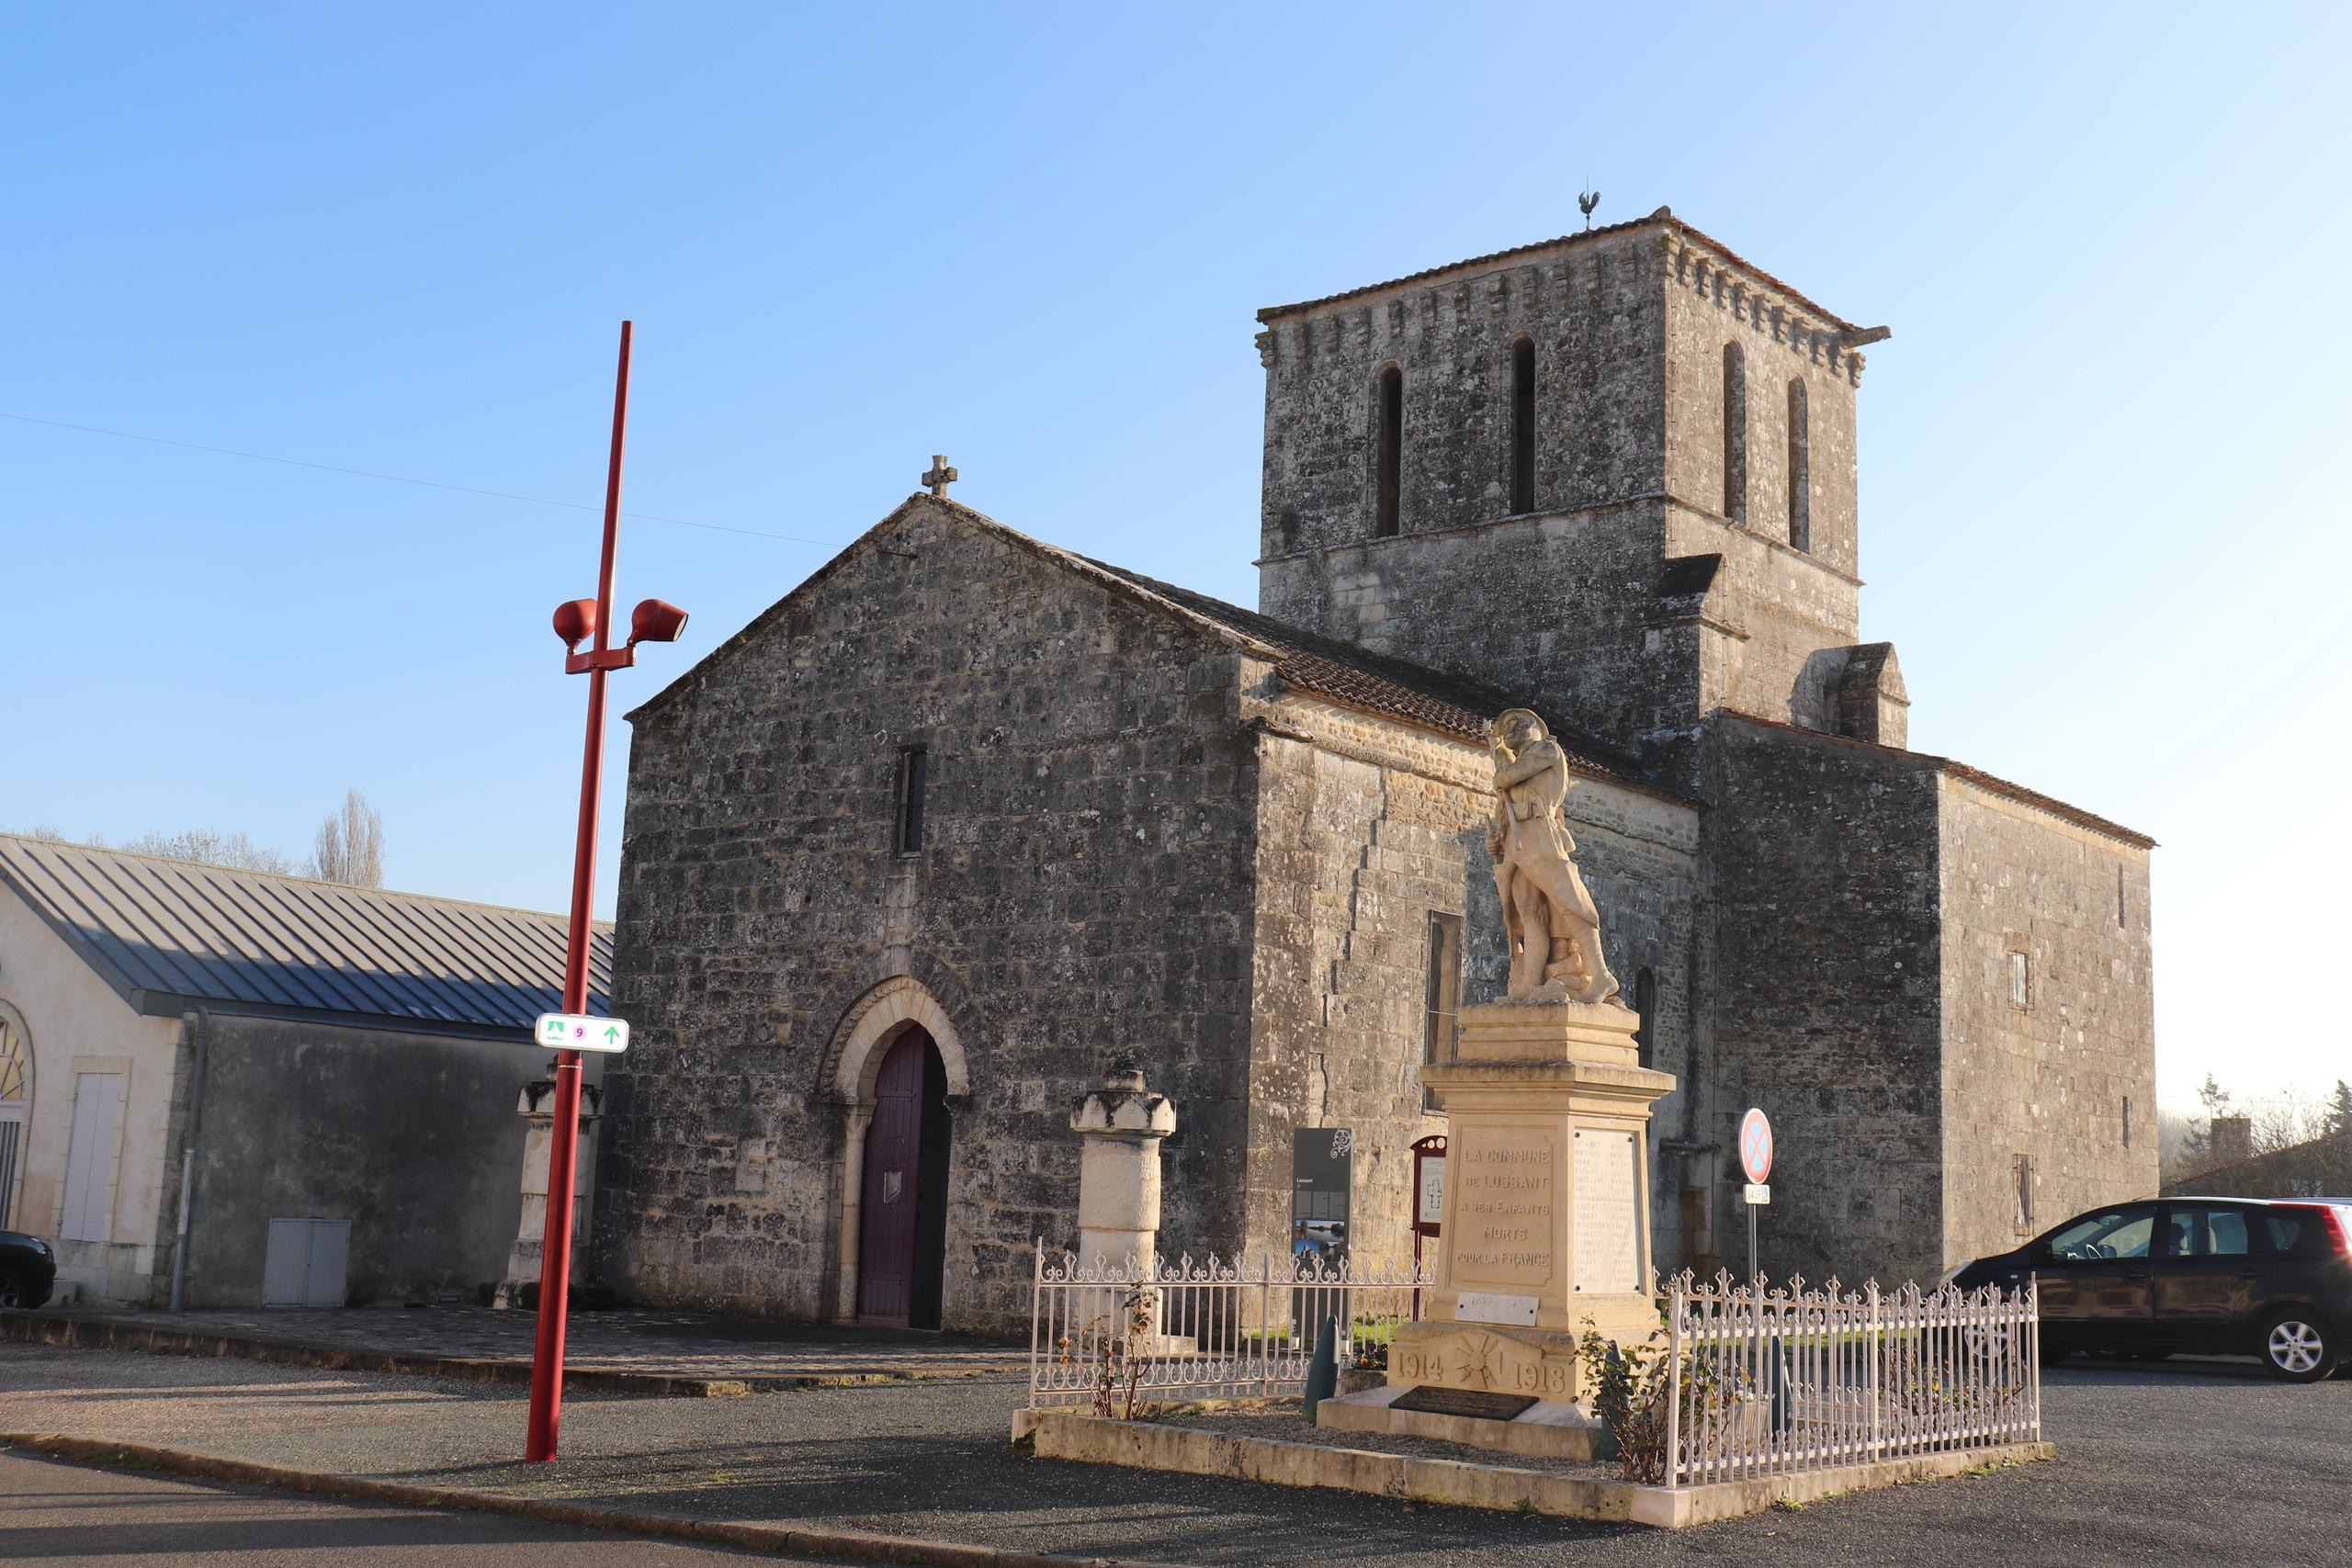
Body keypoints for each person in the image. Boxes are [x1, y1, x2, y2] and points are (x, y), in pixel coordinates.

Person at [1486, 708, 1623, 1005]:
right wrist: (1498, 839)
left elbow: (1506, 777)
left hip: (1540, 833)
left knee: (1570, 901)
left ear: (1536, 726)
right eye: (1504, 726)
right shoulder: (1518, 767)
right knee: (1531, 914)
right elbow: (1506, 803)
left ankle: (1600, 974)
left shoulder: (1547, 750)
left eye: (1515, 722)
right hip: (1519, 840)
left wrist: (1498, 754)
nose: (1509, 728)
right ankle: (1530, 986)